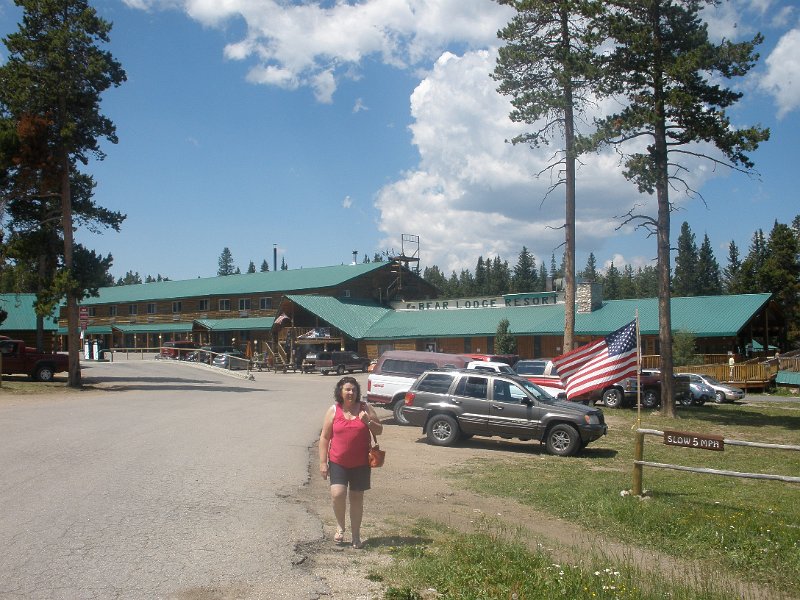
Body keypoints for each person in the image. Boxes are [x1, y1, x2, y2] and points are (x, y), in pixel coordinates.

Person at [319, 376, 383, 549]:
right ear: (340, 391)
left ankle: (356, 535)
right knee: (337, 494)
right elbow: (325, 437)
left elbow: (380, 430)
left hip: (360, 463)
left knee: (356, 498)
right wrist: (323, 463)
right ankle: (340, 527)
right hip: (338, 462)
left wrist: (367, 421)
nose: (351, 392)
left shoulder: (365, 408)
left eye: (354, 390)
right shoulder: (333, 410)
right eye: (347, 389)